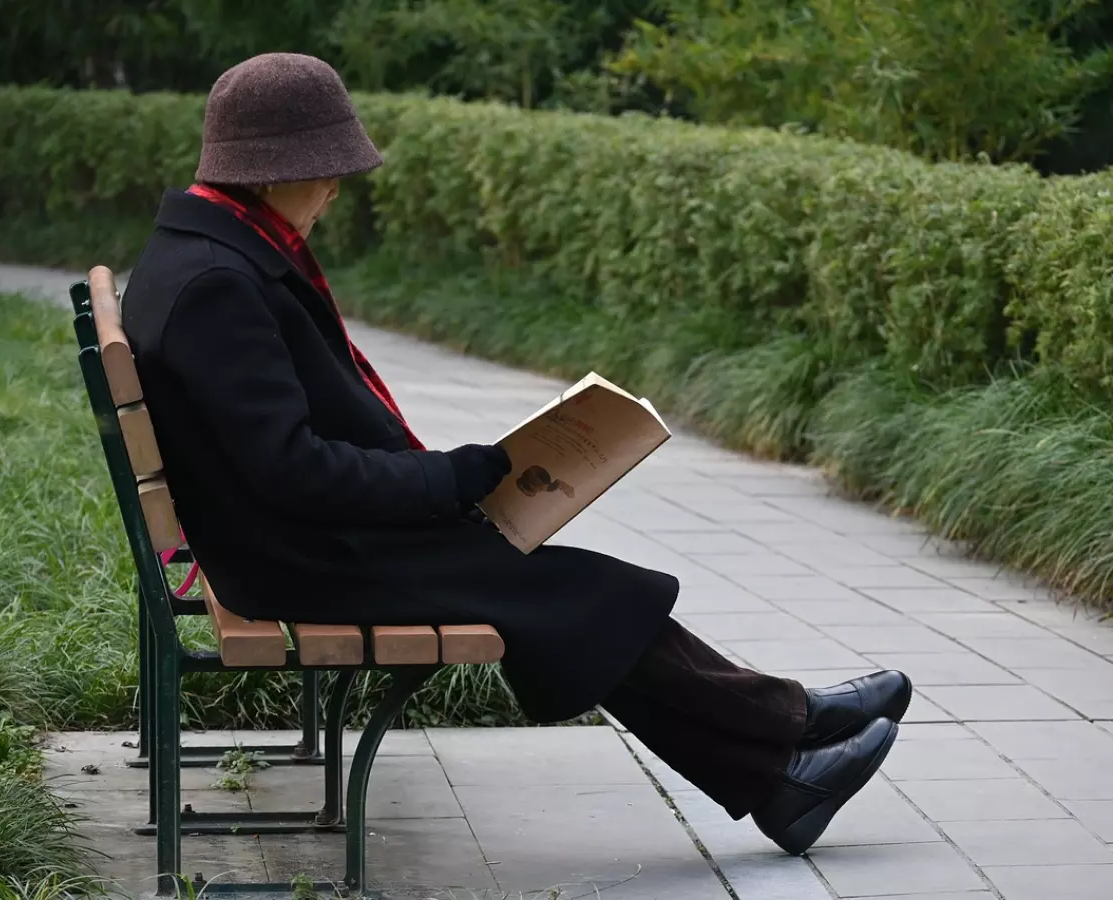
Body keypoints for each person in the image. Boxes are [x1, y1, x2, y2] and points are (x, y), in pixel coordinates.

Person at [120, 52, 911, 857]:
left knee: (572, 594)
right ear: (275, 169)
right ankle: (790, 735)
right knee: (576, 593)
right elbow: (292, 469)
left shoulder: (211, 252)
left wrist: (456, 481)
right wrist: (450, 477)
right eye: (328, 172)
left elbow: (280, 460)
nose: (333, 190)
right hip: (301, 556)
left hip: (296, 538)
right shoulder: (220, 281)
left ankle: (783, 771)